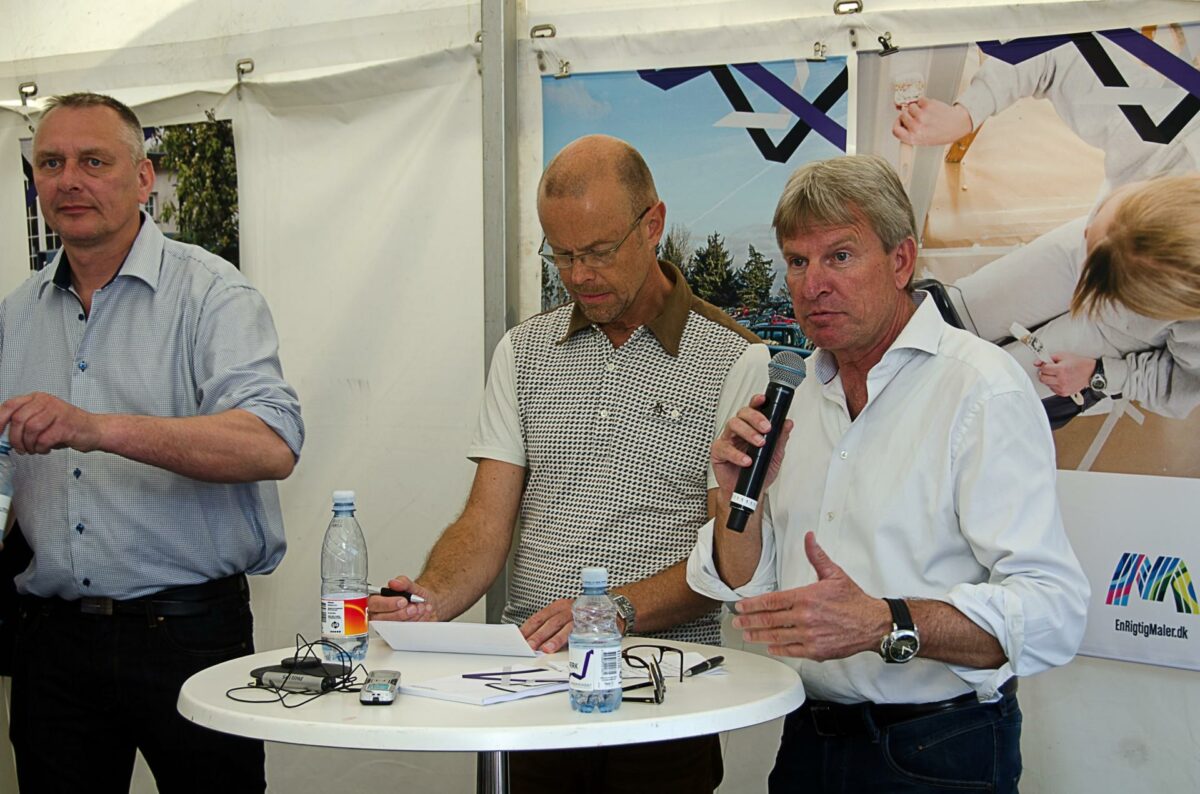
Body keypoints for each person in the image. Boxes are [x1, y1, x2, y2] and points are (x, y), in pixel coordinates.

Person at [370, 134, 767, 793]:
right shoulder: (524, 352)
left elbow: (730, 562)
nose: (580, 275)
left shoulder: (736, 359)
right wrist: (432, 598)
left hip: (661, 693)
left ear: (654, 225)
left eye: (599, 252)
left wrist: (616, 609)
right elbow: (485, 522)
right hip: (529, 685)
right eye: (563, 255)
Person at [687, 154, 1089, 793]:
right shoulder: (788, 391)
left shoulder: (980, 389)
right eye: (797, 261)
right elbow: (742, 584)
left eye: (839, 257)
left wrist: (884, 621)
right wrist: (743, 502)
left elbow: (1052, 613)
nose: (812, 283)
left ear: (901, 261)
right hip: (807, 740)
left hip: (939, 748)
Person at [0, 93, 304, 793]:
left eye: (93, 161)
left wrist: (96, 428)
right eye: (50, 162)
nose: (69, 179)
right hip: (50, 640)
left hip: (187, 634)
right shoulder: (16, 315)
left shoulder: (212, 295)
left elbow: (271, 444)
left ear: (143, 179)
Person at [1023, 175, 1200, 421]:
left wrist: (1101, 373)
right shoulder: (1180, 157)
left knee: (999, 388)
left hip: (1119, 341)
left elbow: (1182, 386)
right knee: (960, 309)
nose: (1086, 233)